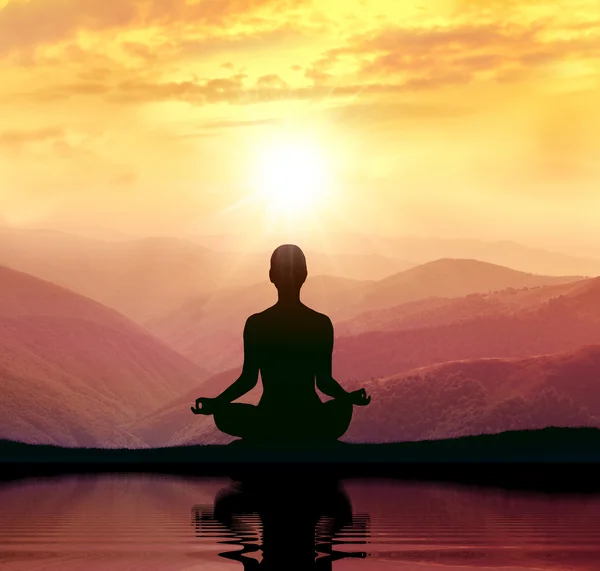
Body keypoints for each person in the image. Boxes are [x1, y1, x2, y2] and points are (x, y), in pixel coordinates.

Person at [190, 244, 371, 446]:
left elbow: (248, 380)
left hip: (269, 416)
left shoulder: (257, 324)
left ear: (271, 275)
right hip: (310, 417)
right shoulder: (319, 323)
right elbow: (324, 381)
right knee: (342, 408)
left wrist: (217, 403)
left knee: (224, 414)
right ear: (304, 275)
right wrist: (347, 398)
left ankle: (266, 434)